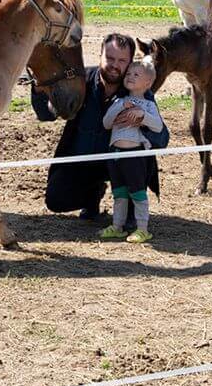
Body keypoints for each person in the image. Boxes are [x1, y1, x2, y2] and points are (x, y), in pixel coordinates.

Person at [34, 34, 169, 222]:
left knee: (133, 167)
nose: (115, 65)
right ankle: (92, 196)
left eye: (122, 61)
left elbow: (162, 139)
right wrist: (39, 88)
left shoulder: (139, 93)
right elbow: (46, 114)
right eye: (110, 58)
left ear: (130, 62)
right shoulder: (80, 83)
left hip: (124, 164)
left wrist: (143, 121)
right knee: (56, 200)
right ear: (99, 56)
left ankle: (131, 206)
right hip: (83, 160)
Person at [99, 59, 164, 243]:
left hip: (135, 156)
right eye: (128, 74)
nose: (130, 77)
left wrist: (142, 115)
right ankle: (117, 226)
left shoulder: (149, 105)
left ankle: (142, 229)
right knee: (119, 193)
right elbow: (106, 123)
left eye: (136, 75)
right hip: (115, 155)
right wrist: (120, 107)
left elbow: (158, 126)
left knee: (137, 193)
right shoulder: (119, 101)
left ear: (148, 83)